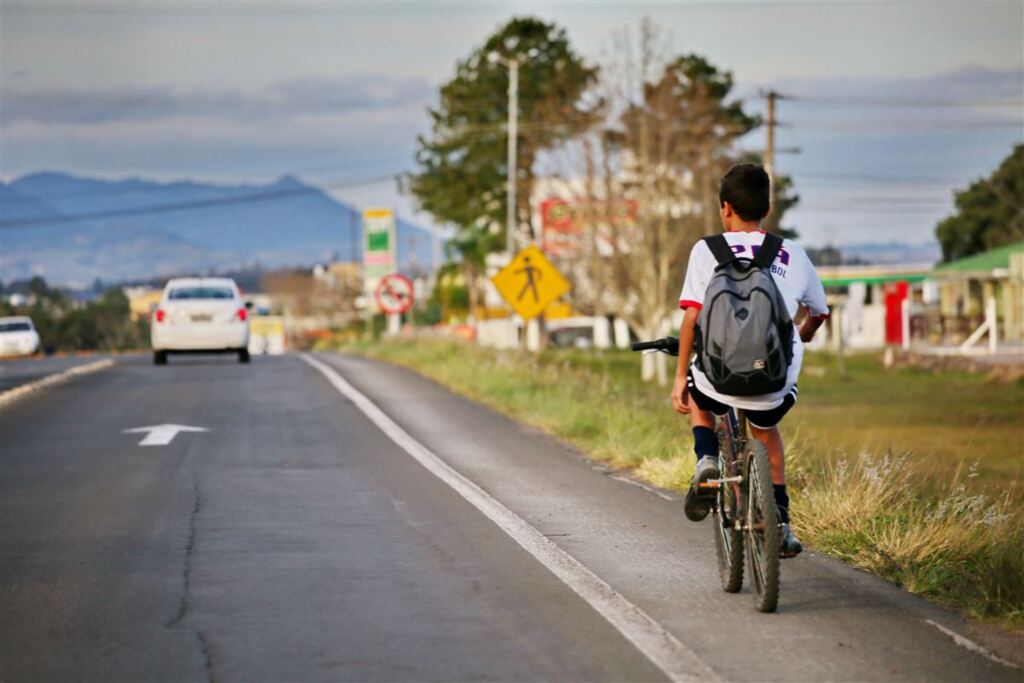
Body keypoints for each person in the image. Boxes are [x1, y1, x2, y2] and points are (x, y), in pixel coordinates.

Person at [671, 163, 829, 558]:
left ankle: (706, 456)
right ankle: (782, 523)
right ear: (767, 207)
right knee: (766, 431)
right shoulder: (791, 253)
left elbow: (692, 316)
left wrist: (677, 380)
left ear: (726, 208)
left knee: (696, 388)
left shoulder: (707, 250)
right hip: (772, 382)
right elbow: (819, 312)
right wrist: (801, 336)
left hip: (719, 378)